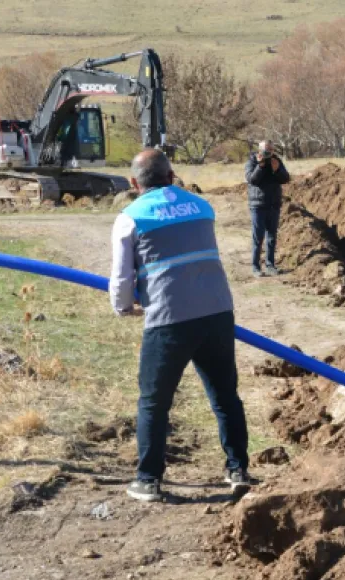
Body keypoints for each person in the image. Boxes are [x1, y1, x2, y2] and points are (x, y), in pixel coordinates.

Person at [110, 149, 252, 503]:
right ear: (171, 175)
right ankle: (237, 470)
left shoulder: (130, 217)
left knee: (153, 403)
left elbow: (121, 277)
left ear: (133, 183)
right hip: (217, 312)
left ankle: (148, 480)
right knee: (225, 396)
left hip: (168, 319)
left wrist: (124, 307)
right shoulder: (202, 207)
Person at [245, 141, 291, 278]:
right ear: (259, 150)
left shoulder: (276, 161)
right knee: (258, 237)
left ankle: (270, 265)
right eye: (265, 150)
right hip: (258, 205)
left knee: (271, 237)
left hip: (273, 205)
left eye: (270, 150)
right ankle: (255, 266)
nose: (268, 153)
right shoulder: (252, 161)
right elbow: (252, 180)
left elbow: (286, 178)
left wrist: (277, 170)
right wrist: (260, 166)